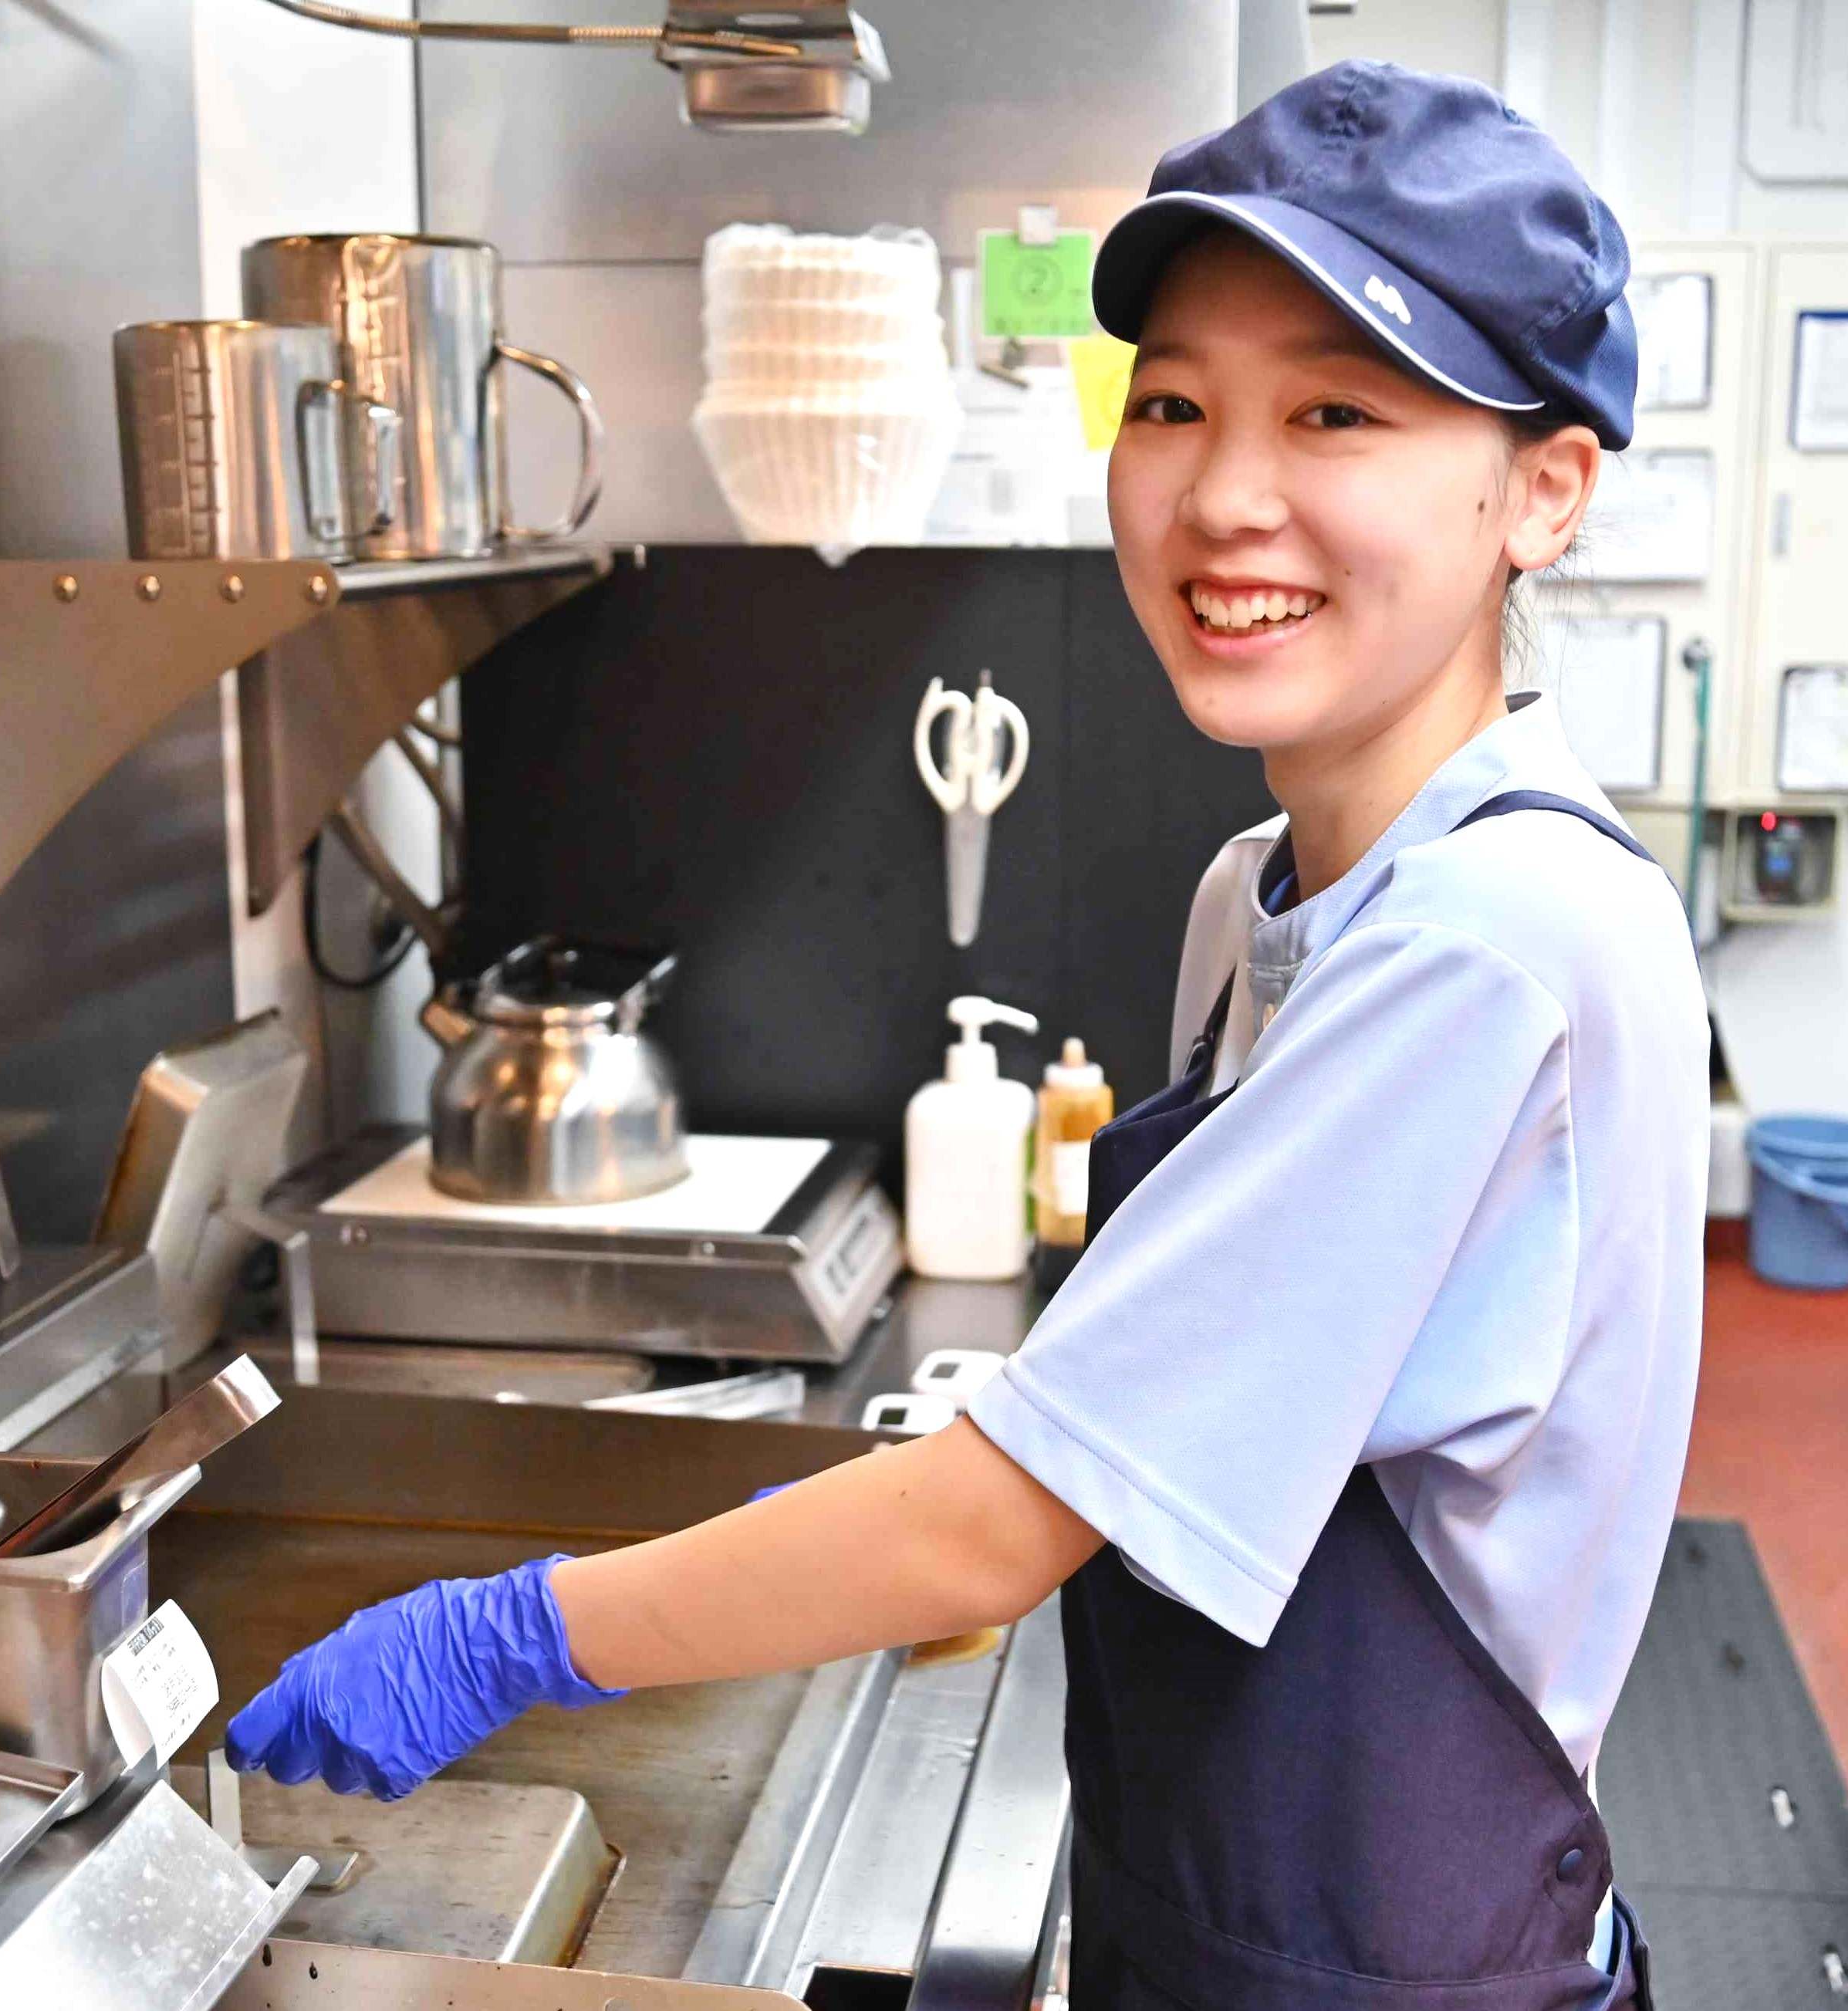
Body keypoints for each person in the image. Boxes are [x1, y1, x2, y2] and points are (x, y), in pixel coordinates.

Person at [225, 63, 1708, 2010]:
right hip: (1241, 1915)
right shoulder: (1267, 892)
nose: (1221, 491)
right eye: (1170, 402)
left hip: (1397, 1964)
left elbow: (1002, 1523)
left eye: (1336, 411)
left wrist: (506, 1634)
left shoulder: (1491, 939)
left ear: (1544, 488)